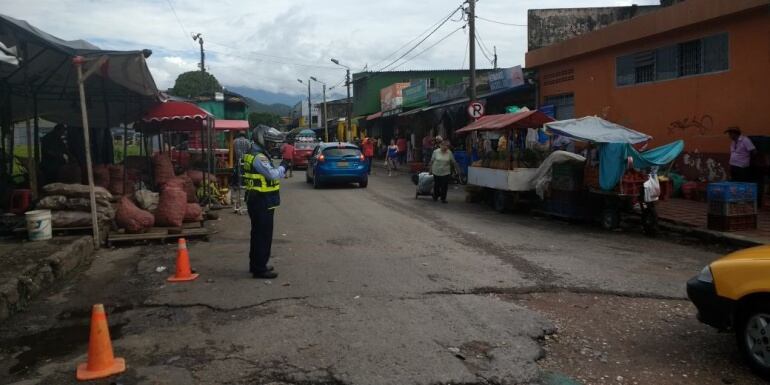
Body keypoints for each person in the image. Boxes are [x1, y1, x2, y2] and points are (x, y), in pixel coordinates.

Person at [242, 126, 288, 279]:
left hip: (257, 199)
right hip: (261, 200)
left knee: (258, 234)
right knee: (263, 235)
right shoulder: (258, 157)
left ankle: (257, 264)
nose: (272, 145)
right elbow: (272, 175)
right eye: (269, 142)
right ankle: (260, 269)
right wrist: (283, 167)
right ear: (262, 140)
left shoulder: (253, 154)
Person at [429, 140, 459, 204]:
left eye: (447, 146)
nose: (446, 147)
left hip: (446, 172)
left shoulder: (449, 152)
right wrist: (430, 170)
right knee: (437, 185)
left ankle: (443, 198)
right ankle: (435, 196)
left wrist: (458, 170)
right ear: (441, 145)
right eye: (445, 146)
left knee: (444, 185)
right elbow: (431, 161)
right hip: (436, 171)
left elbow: (453, 162)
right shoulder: (435, 152)